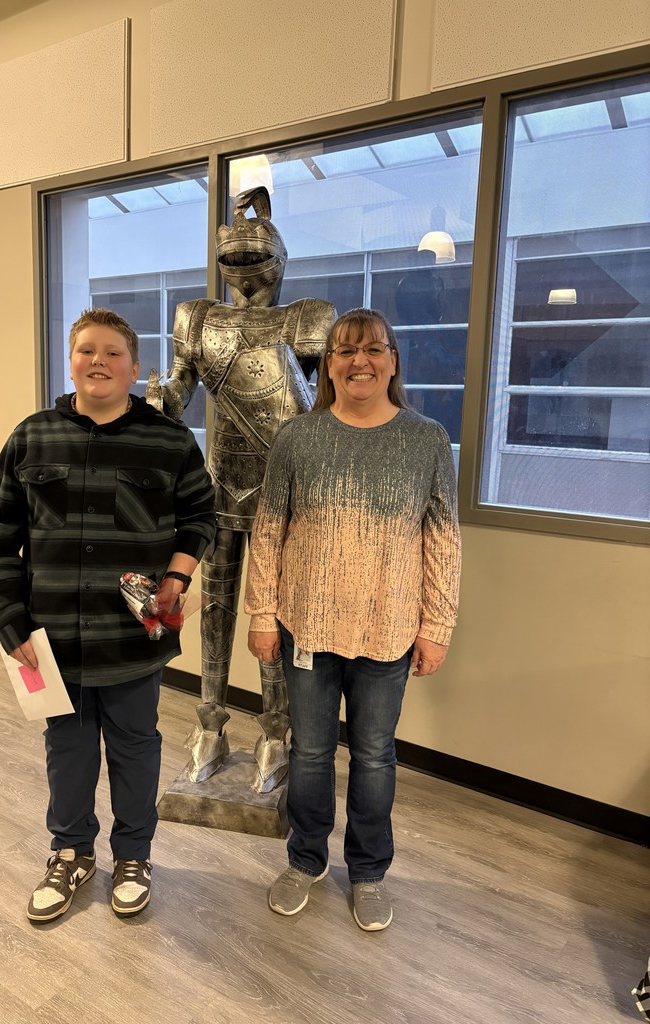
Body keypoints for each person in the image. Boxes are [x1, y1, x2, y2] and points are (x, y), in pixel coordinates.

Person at [0, 308, 216, 922]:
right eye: (88, 350)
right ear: (72, 360)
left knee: (136, 748)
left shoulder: (170, 442)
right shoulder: (31, 437)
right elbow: (0, 532)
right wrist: (6, 616)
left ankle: (134, 856)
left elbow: (199, 519)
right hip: (50, 638)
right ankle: (71, 852)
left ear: (134, 368)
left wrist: (178, 574)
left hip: (133, 639)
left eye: (113, 353)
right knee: (69, 747)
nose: (99, 362)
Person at [244, 307, 461, 931]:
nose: (358, 361)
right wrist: (262, 613)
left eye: (373, 350)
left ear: (392, 362)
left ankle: (367, 871)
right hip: (306, 626)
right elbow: (269, 532)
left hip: (389, 629)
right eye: (344, 351)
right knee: (309, 754)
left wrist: (436, 626)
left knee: (373, 758)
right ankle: (305, 860)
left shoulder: (425, 440)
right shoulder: (297, 437)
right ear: (328, 365)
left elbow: (442, 540)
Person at [156, 186, 335, 792]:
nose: (242, 271)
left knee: (273, 614)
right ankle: (210, 720)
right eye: (231, 260)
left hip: (283, 492)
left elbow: (321, 409)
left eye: (252, 257)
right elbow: (181, 388)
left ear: (277, 260)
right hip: (222, 484)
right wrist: (163, 399)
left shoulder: (306, 316)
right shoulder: (197, 317)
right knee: (216, 610)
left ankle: (276, 730)